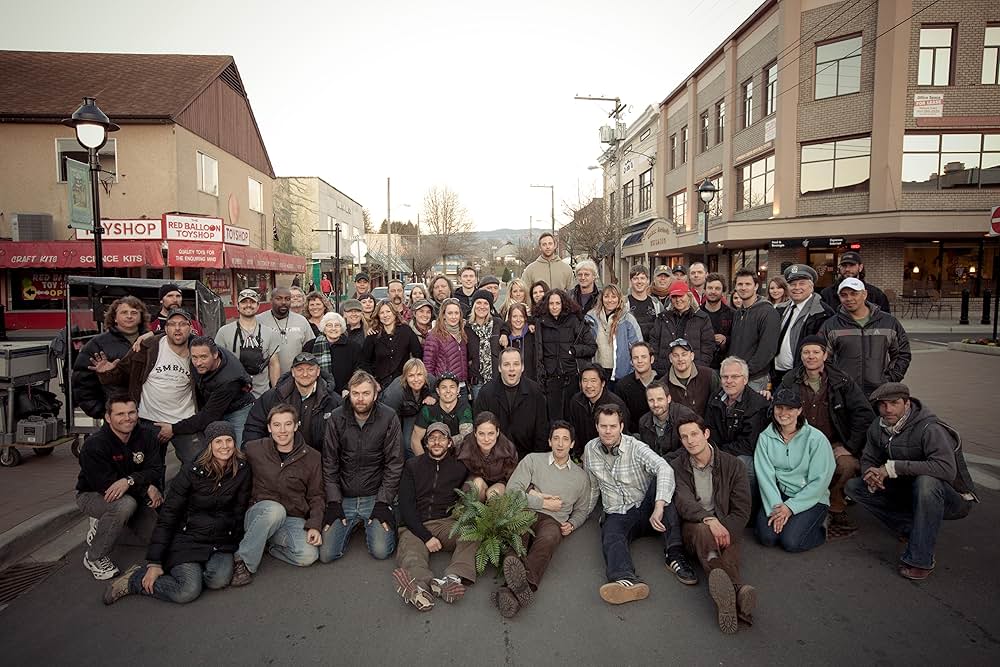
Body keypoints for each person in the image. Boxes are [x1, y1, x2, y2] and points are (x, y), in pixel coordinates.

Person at [102, 421, 252, 605]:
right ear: (209, 445)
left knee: (218, 581)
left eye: (229, 440)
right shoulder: (192, 471)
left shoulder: (242, 469)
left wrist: (235, 544)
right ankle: (134, 579)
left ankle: (192, 570)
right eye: (218, 441)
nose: (224, 446)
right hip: (188, 539)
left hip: (219, 541)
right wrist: (154, 561)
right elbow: (168, 515)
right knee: (187, 591)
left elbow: (239, 510)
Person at [846, 383, 977, 580]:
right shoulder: (878, 425)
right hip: (908, 488)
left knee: (927, 482)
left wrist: (892, 468)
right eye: (882, 405)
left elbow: (946, 469)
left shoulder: (929, 427)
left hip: (951, 498)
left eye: (894, 403)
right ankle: (910, 527)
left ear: (907, 403)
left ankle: (920, 559)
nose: (888, 409)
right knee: (854, 486)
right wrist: (870, 474)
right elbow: (869, 458)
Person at [581, 405, 697, 604]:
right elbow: (592, 487)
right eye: (604, 426)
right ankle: (625, 581)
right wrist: (580, 516)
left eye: (613, 426)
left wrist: (659, 505)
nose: (608, 431)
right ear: (597, 427)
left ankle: (675, 556)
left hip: (647, 509)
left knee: (663, 489)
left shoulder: (636, 446)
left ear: (621, 426)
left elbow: (664, 468)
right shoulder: (590, 450)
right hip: (617, 511)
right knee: (611, 536)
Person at [779, 336, 874, 536]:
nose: (810, 356)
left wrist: (849, 446)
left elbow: (863, 413)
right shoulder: (790, 379)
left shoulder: (842, 380)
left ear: (825, 355)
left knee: (847, 465)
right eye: (806, 352)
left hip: (833, 442)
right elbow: (778, 410)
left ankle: (835, 506)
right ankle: (805, 507)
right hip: (800, 442)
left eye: (815, 352)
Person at [497, 420, 592, 618]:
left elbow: (583, 509)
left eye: (565, 439)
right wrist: (542, 503)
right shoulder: (533, 460)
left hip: (554, 520)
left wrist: (573, 523)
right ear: (549, 441)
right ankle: (518, 588)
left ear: (572, 444)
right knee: (519, 534)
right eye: (556, 438)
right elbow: (512, 492)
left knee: (548, 539)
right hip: (526, 511)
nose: (560, 443)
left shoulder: (581, 477)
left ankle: (516, 587)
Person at [672, 416, 755, 634]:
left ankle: (732, 599)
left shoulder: (733, 465)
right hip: (695, 527)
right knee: (704, 532)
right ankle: (738, 590)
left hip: (727, 526)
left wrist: (724, 527)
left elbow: (742, 509)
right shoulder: (678, 467)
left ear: (706, 434)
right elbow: (683, 502)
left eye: (694, 434)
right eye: (684, 437)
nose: (690, 441)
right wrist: (710, 520)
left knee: (723, 547)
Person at [230, 404, 325, 585]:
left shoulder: (312, 457)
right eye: (277, 425)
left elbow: (317, 495)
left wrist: (315, 525)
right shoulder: (254, 449)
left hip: (292, 517)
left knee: (308, 555)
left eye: (288, 424)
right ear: (269, 427)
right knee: (275, 510)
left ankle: (266, 544)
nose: (282, 431)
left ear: (296, 426)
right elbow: (230, 470)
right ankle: (242, 562)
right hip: (260, 513)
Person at [76, 395, 163, 580]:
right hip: (94, 495)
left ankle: (103, 527)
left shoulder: (147, 436)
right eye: (120, 414)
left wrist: (131, 481)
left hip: (133, 492)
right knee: (124, 505)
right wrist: (143, 487)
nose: (127, 418)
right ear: (108, 417)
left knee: (159, 539)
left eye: (132, 412)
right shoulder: (94, 444)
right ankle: (94, 557)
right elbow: (106, 486)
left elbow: (156, 469)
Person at [393, 423, 477, 612]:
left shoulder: (459, 467)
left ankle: (452, 578)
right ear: (426, 443)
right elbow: (406, 505)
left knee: (472, 533)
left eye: (442, 438)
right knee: (411, 554)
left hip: (445, 523)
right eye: (432, 438)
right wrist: (426, 537)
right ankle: (421, 587)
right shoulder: (412, 466)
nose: (437, 442)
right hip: (415, 525)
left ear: (449, 443)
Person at [319, 370, 402, 563]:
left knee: (381, 551)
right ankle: (355, 522)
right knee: (326, 554)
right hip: (344, 496)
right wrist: (333, 501)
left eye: (366, 393)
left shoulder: (389, 417)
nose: (361, 399)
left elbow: (394, 463)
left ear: (375, 394)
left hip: (375, 495)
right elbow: (329, 462)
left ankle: (371, 519)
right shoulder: (337, 417)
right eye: (356, 393)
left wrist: (383, 501)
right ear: (349, 393)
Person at [754, 387, 834, 553]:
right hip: (780, 494)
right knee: (768, 538)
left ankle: (821, 526)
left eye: (790, 408)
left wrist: (790, 508)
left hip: (811, 497)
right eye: (779, 407)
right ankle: (791, 522)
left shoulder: (816, 439)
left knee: (791, 542)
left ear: (799, 410)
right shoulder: (765, 437)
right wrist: (777, 508)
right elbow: (765, 476)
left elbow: (820, 481)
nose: (783, 413)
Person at [818, 277, 911, 396]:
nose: (849, 298)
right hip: (845, 392)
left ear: (864, 294)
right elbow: (822, 358)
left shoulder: (889, 322)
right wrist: (836, 381)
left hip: (879, 393)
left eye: (854, 293)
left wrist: (891, 378)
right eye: (844, 295)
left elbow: (902, 353)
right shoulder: (831, 325)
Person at [165, 336, 254, 451]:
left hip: (238, 410)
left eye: (203, 357)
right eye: (194, 357)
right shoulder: (202, 347)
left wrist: (173, 428)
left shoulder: (229, 380)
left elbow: (208, 416)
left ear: (215, 354)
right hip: (214, 403)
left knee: (235, 450)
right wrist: (150, 334)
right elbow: (181, 334)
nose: (198, 363)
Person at [242, 352, 342, 450]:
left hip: (319, 461)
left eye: (310, 369)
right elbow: (254, 427)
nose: (305, 374)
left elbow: (342, 437)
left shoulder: (333, 401)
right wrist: (258, 456)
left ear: (318, 371)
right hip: (279, 460)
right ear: (293, 372)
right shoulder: (273, 397)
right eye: (300, 370)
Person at [73, 296, 151, 419]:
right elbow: (82, 384)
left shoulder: (152, 342)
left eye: (134, 312)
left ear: (141, 317)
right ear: (114, 317)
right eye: (124, 312)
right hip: (117, 414)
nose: (129, 316)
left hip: (150, 414)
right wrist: (101, 411)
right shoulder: (97, 344)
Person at [532, 288, 597, 421]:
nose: (554, 307)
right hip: (550, 379)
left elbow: (591, 347)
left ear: (563, 304)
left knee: (571, 418)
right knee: (553, 420)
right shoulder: (540, 322)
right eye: (551, 303)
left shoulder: (574, 321)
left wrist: (574, 350)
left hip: (571, 377)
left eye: (558, 303)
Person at [705, 357, 769, 491]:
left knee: (742, 464)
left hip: (746, 456)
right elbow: (710, 429)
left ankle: (748, 508)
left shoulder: (757, 403)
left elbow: (749, 444)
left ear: (745, 380)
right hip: (720, 450)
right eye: (725, 377)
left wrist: (719, 453)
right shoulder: (715, 397)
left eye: (735, 377)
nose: (729, 381)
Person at [474, 347, 549, 459]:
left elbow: (542, 430)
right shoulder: (486, 393)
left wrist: (535, 461)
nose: (512, 369)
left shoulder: (535, 391)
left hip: (528, 458)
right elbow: (479, 430)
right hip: (494, 458)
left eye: (516, 364)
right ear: (499, 367)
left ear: (522, 367)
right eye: (506, 364)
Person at [772, 265, 834, 387]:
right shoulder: (781, 309)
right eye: (792, 284)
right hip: (777, 374)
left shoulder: (822, 312)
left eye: (802, 283)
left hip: (803, 377)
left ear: (811, 287)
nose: (797, 288)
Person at [215, 289, 281, 399]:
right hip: (233, 397)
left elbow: (274, 364)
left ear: (258, 305)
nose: (248, 305)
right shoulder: (224, 332)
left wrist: (275, 392)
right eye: (244, 302)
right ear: (238, 305)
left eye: (252, 302)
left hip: (262, 396)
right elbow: (217, 363)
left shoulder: (269, 333)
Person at [729, 269, 780, 392]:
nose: (743, 288)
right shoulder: (738, 312)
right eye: (740, 284)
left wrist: (746, 371)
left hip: (755, 379)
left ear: (756, 286)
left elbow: (767, 350)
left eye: (748, 284)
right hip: (736, 376)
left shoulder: (768, 312)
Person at [567, 364, 629, 459]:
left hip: (611, 455)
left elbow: (622, 436)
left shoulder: (616, 404)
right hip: (583, 455)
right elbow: (573, 430)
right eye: (585, 380)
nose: (588, 385)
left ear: (603, 383)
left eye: (593, 381)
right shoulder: (576, 401)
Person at [650, 282, 715, 371]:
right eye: (674, 297)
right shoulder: (662, 318)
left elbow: (708, 346)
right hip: (665, 372)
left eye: (681, 296)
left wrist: (699, 369)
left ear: (688, 296)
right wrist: (658, 366)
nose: (677, 300)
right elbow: (654, 343)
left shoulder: (702, 318)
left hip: (694, 372)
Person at [586, 283, 643, 384]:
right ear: (601, 298)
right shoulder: (591, 317)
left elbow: (637, 346)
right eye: (606, 296)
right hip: (597, 371)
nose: (610, 300)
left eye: (614, 297)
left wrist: (633, 369)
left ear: (619, 298)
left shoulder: (628, 319)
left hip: (621, 373)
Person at [380, 358, 436, 460]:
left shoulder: (431, 380)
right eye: (411, 375)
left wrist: (432, 397)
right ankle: (411, 465)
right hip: (398, 413)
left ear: (425, 375)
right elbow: (388, 418)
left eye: (419, 374)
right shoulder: (395, 392)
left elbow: (439, 391)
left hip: (418, 410)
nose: (416, 379)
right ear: (405, 377)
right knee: (406, 443)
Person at [456, 411, 519, 500]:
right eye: (481, 434)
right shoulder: (465, 448)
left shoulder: (508, 449)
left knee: (493, 494)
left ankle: (491, 513)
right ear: (475, 433)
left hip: (500, 482)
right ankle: (475, 512)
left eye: (491, 433)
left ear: (497, 432)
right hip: (475, 481)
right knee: (477, 484)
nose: (486, 439)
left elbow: (514, 478)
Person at [362, 300, 423, 387]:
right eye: (382, 312)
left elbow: (418, 354)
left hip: (402, 382)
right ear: (378, 316)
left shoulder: (406, 331)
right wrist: (372, 381)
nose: (385, 315)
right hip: (380, 383)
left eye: (388, 311)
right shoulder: (373, 334)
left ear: (394, 313)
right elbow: (365, 362)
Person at [411, 372, 473, 455]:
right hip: (432, 455)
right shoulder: (428, 409)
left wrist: (443, 442)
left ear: (458, 390)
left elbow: (466, 436)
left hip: (457, 455)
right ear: (438, 391)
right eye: (443, 387)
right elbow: (415, 440)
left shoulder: (464, 407)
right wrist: (423, 463)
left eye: (452, 387)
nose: (448, 391)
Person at [258, 286, 312, 375]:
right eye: (278, 299)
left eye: (287, 299)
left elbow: (309, 349)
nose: (283, 302)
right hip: (266, 380)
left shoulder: (301, 321)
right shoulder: (260, 320)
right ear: (271, 300)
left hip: (296, 378)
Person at [638, 381, 698, 461]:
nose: (655, 404)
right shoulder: (644, 422)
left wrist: (662, 461)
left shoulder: (684, 415)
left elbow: (690, 446)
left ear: (668, 398)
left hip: (683, 464)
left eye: (660, 399)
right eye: (651, 400)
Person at [466, 289, 509, 399]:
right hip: (477, 380)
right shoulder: (466, 327)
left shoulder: (497, 323)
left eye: (486, 303)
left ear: (490, 307)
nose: (482, 306)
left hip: (497, 379)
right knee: (480, 412)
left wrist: (504, 334)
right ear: (473, 305)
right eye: (479, 303)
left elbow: (507, 327)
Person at [820, 250, 891, 313]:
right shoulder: (827, 294)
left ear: (860, 267)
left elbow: (885, 321)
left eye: (851, 265)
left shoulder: (876, 294)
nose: (847, 269)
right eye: (844, 265)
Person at [422, 298, 470, 390]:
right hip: (444, 388)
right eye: (450, 313)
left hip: (462, 386)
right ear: (443, 315)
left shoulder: (463, 333)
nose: (453, 317)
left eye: (456, 313)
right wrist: (432, 390)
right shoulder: (434, 336)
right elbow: (428, 365)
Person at [665, 338, 718, 417]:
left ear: (692, 356)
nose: (680, 359)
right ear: (670, 358)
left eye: (684, 354)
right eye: (676, 355)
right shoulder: (664, 383)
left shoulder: (709, 375)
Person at [308, 312, 357, 394]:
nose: (333, 328)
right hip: (316, 392)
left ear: (342, 329)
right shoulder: (310, 345)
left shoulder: (353, 347)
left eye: (337, 325)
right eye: (329, 325)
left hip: (345, 393)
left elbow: (358, 369)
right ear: (324, 328)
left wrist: (348, 388)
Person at [615, 341, 659, 433]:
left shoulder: (663, 380)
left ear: (652, 359)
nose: (639, 361)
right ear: (631, 362)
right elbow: (622, 417)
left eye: (643, 357)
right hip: (635, 437)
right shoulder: (622, 386)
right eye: (635, 358)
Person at [702, 273, 734, 369]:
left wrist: (726, 340)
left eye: (717, 288)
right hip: (702, 366)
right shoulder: (696, 314)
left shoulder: (732, 314)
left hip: (725, 366)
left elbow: (738, 339)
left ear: (723, 291)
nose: (713, 291)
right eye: (710, 288)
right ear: (704, 290)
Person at [627, 265, 663, 339]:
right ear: (630, 281)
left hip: (652, 348)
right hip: (631, 348)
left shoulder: (657, 305)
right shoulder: (624, 304)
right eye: (635, 278)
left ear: (648, 281)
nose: (639, 282)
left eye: (642, 278)